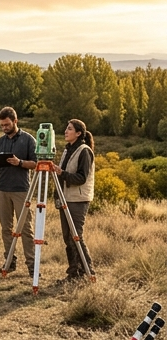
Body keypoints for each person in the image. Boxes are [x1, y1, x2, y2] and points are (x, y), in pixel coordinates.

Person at [0, 106, 38, 273]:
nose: (4, 128)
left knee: (25, 228)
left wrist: (19, 163)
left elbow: (36, 163)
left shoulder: (28, 140)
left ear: (15, 121)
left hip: (21, 190)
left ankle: (32, 266)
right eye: (2, 125)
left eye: (7, 125)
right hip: (2, 189)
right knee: (6, 228)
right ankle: (10, 262)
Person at [57, 118, 95, 281]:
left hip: (78, 199)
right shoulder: (67, 150)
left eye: (70, 129)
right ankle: (74, 272)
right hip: (65, 198)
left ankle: (88, 271)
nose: (66, 131)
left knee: (76, 236)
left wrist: (61, 173)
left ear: (78, 133)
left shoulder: (84, 151)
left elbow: (81, 178)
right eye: (67, 127)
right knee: (68, 237)